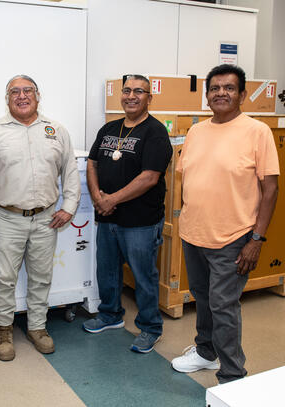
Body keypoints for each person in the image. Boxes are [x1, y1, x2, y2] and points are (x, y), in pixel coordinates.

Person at [171, 64, 279, 384]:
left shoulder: (257, 131)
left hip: (233, 237)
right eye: (215, 88)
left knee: (223, 306)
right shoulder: (196, 131)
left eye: (229, 88)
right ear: (207, 96)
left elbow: (270, 188)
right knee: (202, 299)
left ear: (242, 95)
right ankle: (206, 351)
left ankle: (232, 377)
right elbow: (187, 179)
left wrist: (256, 239)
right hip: (194, 233)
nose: (221, 93)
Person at [0, 75, 81, 361]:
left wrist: (68, 207)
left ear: (37, 95)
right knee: (5, 278)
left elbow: (70, 171)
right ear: (7, 98)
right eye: (14, 92)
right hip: (6, 218)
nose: (21, 96)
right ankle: (5, 331)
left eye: (27, 91)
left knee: (41, 277)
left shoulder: (56, 130)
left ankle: (37, 328)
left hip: (46, 218)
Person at [82, 74, 172, 353]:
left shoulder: (155, 132)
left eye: (139, 91)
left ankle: (150, 327)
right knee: (106, 270)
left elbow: (149, 177)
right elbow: (92, 163)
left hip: (140, 222)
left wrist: (112, 200)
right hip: (107, 217)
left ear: (149, 97)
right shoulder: (109, 128)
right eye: (127, 91)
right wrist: (97, 196)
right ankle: (110, 315)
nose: (131, 96)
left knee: (144, 275)